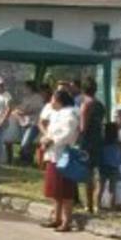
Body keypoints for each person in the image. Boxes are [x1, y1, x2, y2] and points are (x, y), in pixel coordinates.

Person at [40, 89, 82, 232]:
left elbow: (68, 134)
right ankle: (56, 218)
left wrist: (52, 140)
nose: (51, 102)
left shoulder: (70, 113)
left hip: (63, 155)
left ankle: (67, 221)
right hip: (53, 155)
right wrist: (46, 139)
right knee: (55, 190)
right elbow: (51, 131)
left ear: (59, 100)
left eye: (53, 99)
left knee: (65, 190)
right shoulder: (57, 113)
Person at [77, 77, 106, 215]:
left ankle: (88, 205)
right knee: (98, 173)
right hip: (98, 140)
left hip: (87, 142)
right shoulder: (100, 105)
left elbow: (83, 127)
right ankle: (97, 204)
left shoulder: (86, 105)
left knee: (87, 174)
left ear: (83, 90)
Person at [12, 82, 46, 165]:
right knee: (26, 142)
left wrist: (23, 112)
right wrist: (17, 110)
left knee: (25, 142)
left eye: (25, 87)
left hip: (34, 123)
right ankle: (26, 160)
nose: (23, 89)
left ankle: (25, 160)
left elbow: (36, 109)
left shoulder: (38, 97)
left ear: (30, 88)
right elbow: (20, 108)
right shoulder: (26, 98)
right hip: (24, 123)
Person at [99, 122, 121, 211]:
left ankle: (97, 205)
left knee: (101, 187)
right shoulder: (119, 143)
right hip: (114, 167)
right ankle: (112, 206)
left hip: (103, 166)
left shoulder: (102, 142)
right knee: (113, 189)